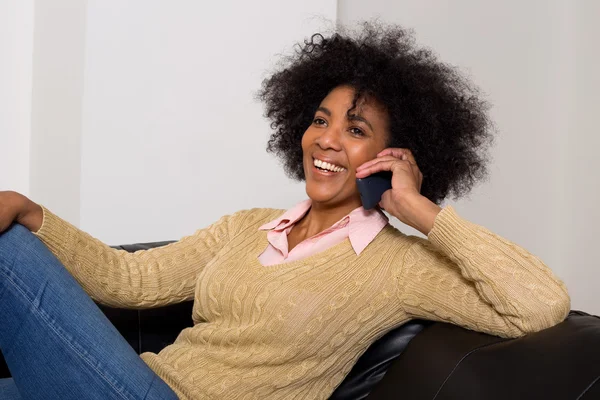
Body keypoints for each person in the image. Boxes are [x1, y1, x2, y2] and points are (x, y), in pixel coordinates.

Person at [0, 21, 570, 400]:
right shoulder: (247, 226)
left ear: (393, 155)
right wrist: (30, 211)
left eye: (355, 129)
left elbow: (540, 305)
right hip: (137, 382)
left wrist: (419, 210)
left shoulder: (399, 268)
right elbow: (133, 279)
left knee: (7, 256)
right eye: (320, 120)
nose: (326, 140)